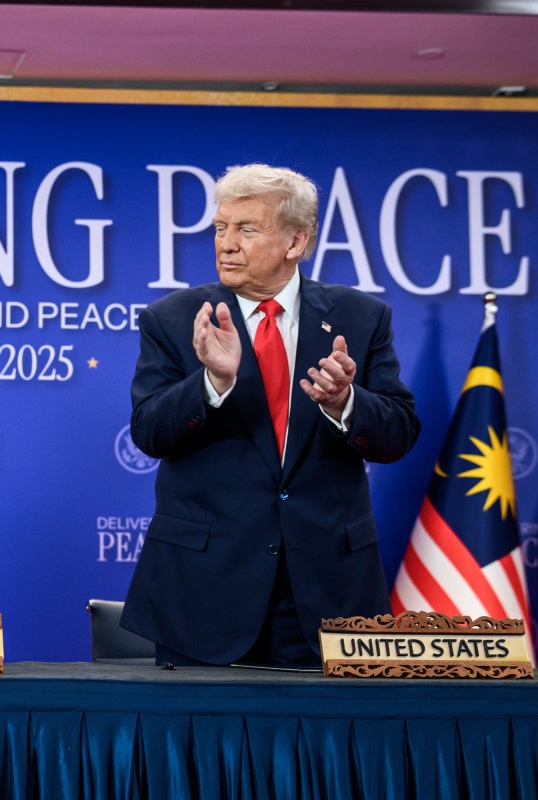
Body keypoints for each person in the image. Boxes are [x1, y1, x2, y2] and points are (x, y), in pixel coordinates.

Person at [122, 163, 421, 668]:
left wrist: (345, 402)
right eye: (220, 228)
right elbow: (149, 432)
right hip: (205, 591)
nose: (226, 243)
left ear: (295, 242)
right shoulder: (172, 319)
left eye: (247, 229)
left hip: (328, 593)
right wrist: (211, 382)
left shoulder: (362, 318)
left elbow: (399, 436)